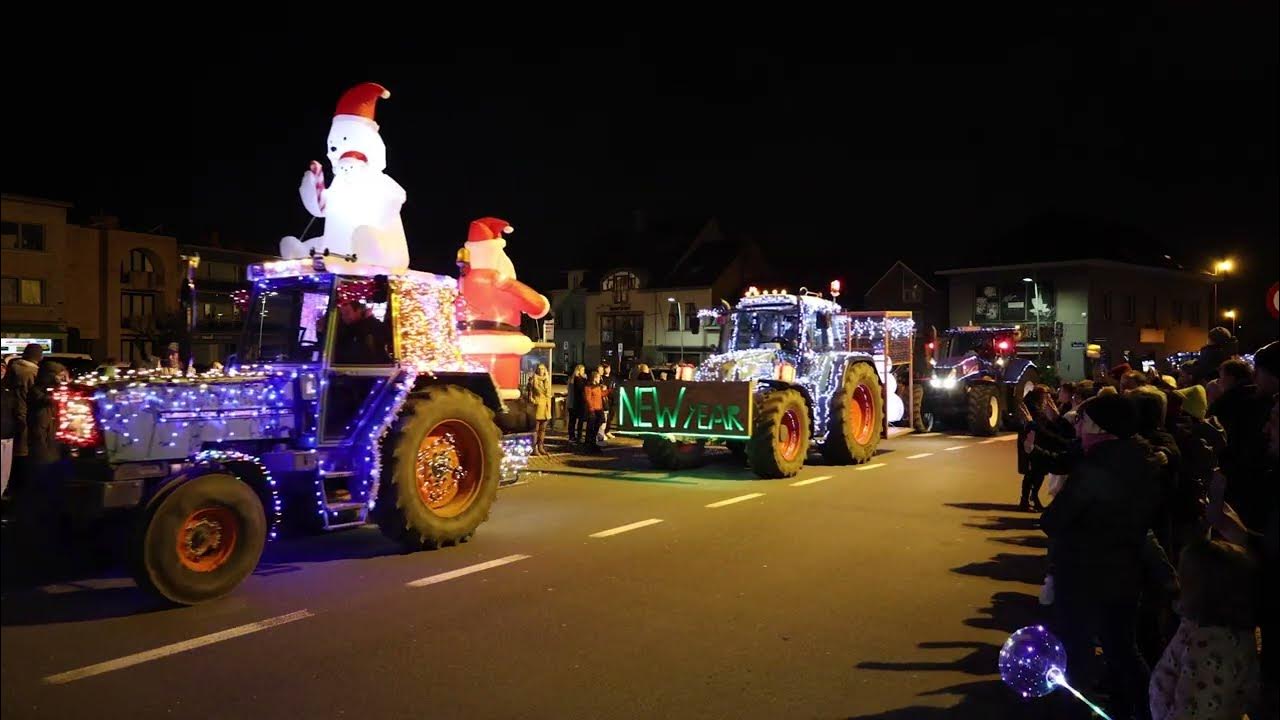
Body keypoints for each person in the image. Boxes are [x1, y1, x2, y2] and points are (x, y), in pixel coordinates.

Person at [1039, 393, 1164, 719]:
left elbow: (1054, 521)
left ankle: (1077, 710)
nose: (1077, 426)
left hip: (1084, 574)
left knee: (1077, 650)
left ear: (1098, 426)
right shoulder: (1142, 460)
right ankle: (1143, 707)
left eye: (1081, 420)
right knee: (1122, 648)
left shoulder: (1094, 468)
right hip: (1125, 572)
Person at [1148, 539, 1260, 720]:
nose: (1179, 583)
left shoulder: (1210, 647)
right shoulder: (1208, 627)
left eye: (1184, 578)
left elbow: (1195, 709)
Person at [1016, 386, 1069, 512]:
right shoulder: (1033, 408)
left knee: (1037, 473)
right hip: (1031, 443)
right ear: (1039, 396)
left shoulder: (1038, 407)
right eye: (1046, 395)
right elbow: (1040, 426)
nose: (1048, 398)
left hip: (1038, 443)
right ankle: (1025, 500)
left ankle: (1033, 498)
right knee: (1031, 474)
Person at [334, 300, 392, 364]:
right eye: (342, 314)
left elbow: (387, 336)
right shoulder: (343, 330)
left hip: (373, 368)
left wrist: (370, 319)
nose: (344, 317)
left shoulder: (372, 325)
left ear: (358, 311)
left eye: (347, 313)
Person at [527, 363, 552, 455]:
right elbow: (529, 392)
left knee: (543, 428)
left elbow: (549, 393)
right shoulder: (534, 379)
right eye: (539, 369)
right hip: (537, 405)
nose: (541, 371)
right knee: (535, 429)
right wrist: (532, 399)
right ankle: (534, 448)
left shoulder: (547, 379)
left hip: (546, 406)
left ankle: (541, 446)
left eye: (543, 369)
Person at [1, 361, 16, 498]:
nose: (1, 370)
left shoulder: (9, 389)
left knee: (5, 472)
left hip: (8, 435)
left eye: (3, 367)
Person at [583, 371, 606, 453]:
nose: (600, 379)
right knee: (591, 427)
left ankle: (592, 442)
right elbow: (588, 398)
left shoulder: (597, 386)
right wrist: (591, 409)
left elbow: (600, 395)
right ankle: (589, 444)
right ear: (595, 378)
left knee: (596, 426)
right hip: (593, 409)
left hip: (599, 408)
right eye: (599, 377)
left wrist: (608, 391)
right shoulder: (589, 386)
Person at [567, 364, 587, 445]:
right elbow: (581, 389)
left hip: (576, 403)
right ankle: (575, 436)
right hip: (576, 403)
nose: (583, 372)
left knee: (575, 421)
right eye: (582, 370)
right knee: (575, 421)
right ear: (578, 371)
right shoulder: (577, 379)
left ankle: (575, 436)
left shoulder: (574, 379)